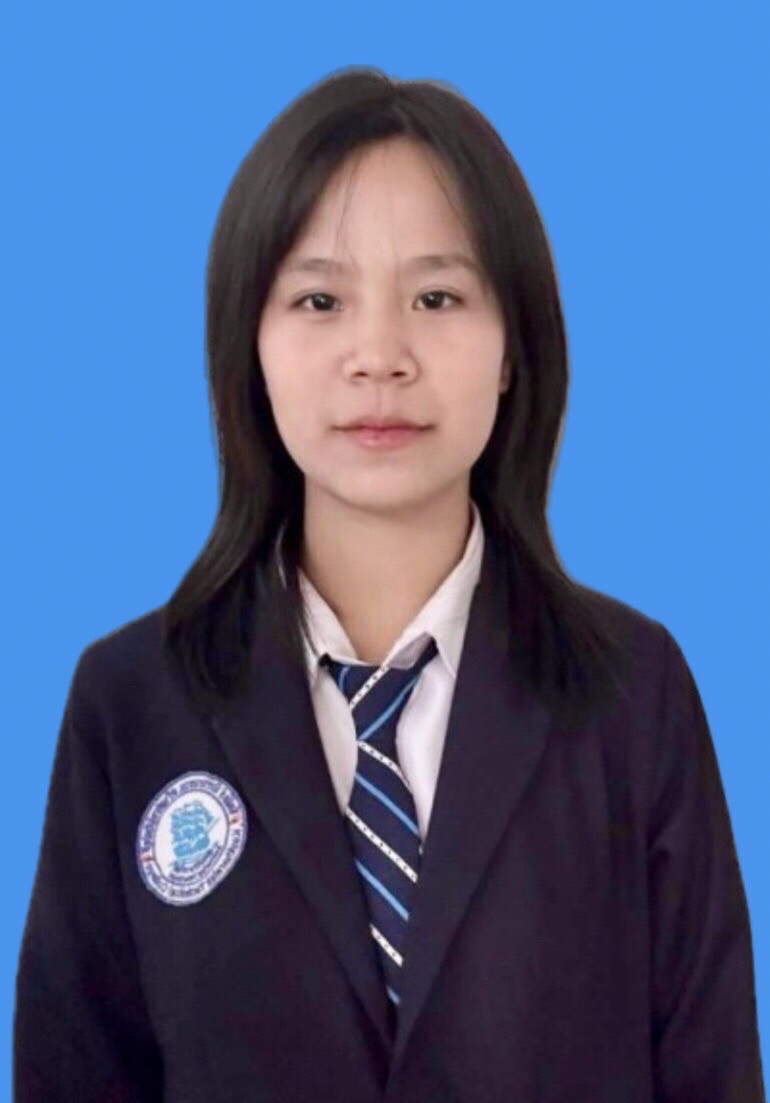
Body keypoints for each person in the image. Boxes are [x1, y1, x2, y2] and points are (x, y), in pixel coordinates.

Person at [13, 65, 765, 1102]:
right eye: (319, 299)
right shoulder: (131, 700)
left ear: (513, 348)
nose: (379, 356)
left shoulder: (631, 690)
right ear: (249, 344)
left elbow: (712, 1069)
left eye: (437, 297)